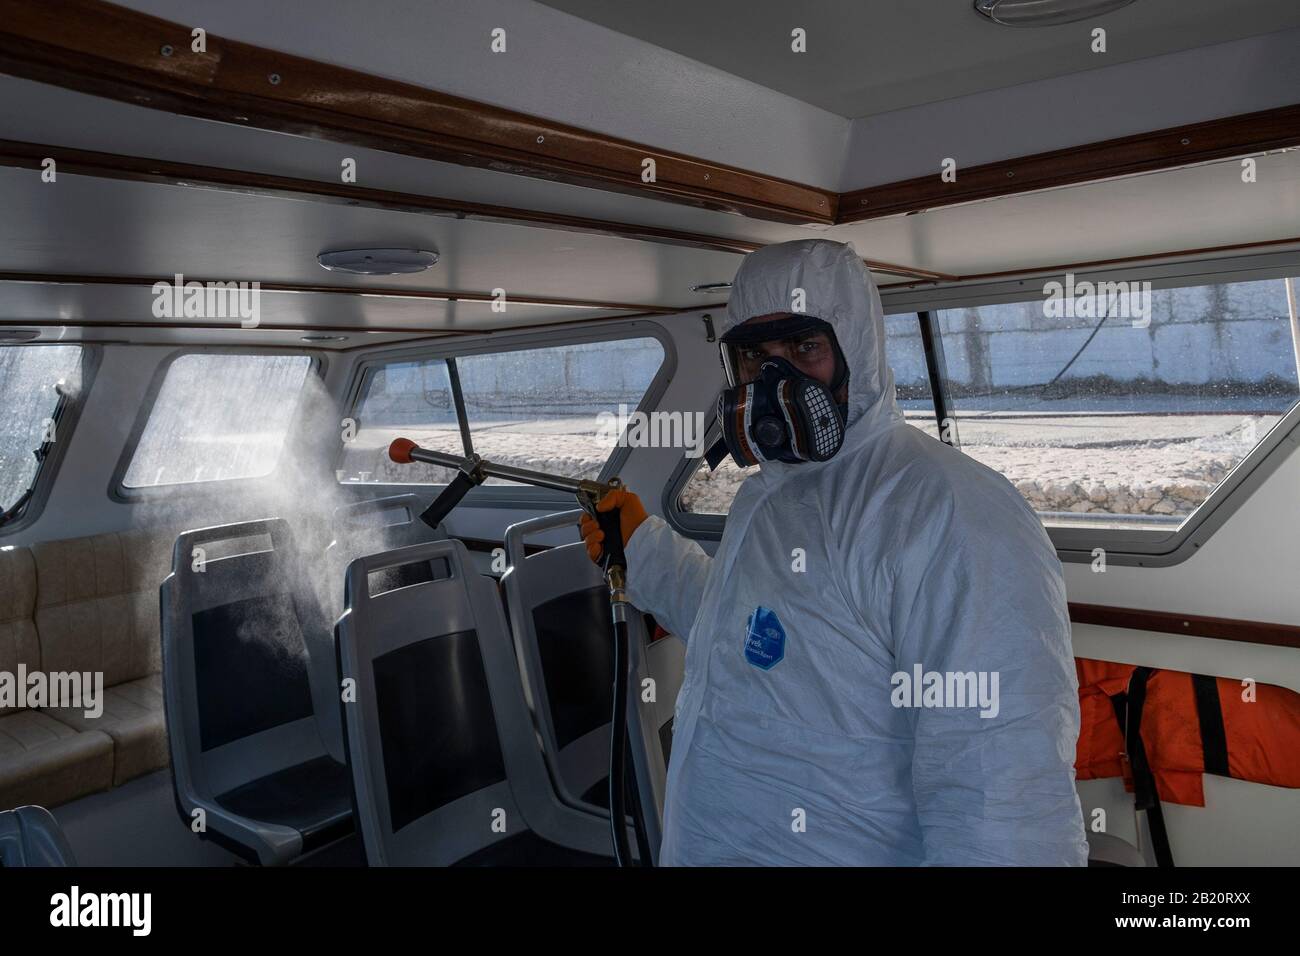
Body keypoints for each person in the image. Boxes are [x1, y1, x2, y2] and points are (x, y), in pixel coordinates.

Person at [581, 238, 1088, 866]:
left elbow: (1002, 798)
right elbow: (753, 633)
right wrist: (643, 549)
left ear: (859, 351)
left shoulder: (948, 510)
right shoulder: (767, 497)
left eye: (803, 348)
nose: (776, 380)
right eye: (755, 357)